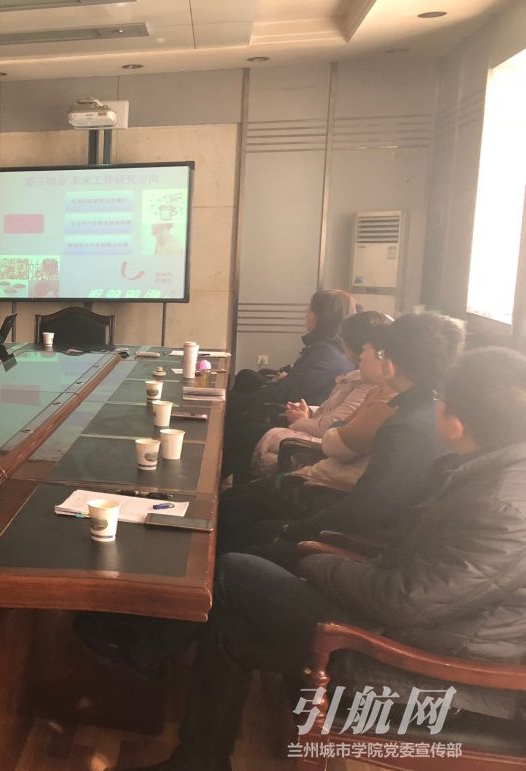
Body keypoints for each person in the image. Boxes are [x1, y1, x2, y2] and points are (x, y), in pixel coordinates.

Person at [123, 346, 526, 771]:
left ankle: (142, 659)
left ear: (457, 423)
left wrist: (315, 564)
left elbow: (404, 600)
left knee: (233, 569)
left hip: (427, 668)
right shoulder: (492, 473)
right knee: (233, 629)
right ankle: (195, 753)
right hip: (417, 629)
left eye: (442, 398)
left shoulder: (502, 506)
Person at [219, 311, 464, 560]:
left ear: (390, 365)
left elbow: (368, 506)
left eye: (382, 353)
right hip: (351, 512)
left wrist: (294, 530)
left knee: (238, 526)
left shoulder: (404, 425)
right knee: (236, 506)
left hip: (349, 538)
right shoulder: (431, 411)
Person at [222, 289, 356, 484]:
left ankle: (214, 485)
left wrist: (237, 400)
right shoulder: (325, 348)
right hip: (300, 408)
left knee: (231, 417)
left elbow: (288, 392)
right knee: (243, 383)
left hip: (295, 414)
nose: (306, 314)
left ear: (321, 316)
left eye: (310, 309)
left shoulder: (327, 355)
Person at [251, 310, 392, 477]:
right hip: (324, 459)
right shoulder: (373, 388)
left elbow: (335, 440)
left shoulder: (380, 398)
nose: (362, 354)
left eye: (366, 349)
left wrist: (303, 420)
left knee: (247, 430)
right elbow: (337, 424)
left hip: (327, 478)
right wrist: (310, 413)